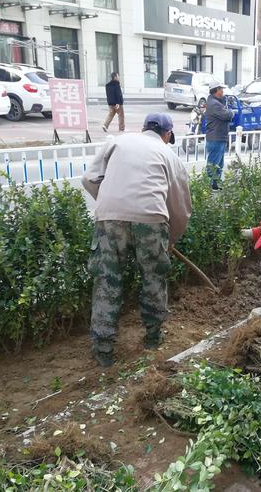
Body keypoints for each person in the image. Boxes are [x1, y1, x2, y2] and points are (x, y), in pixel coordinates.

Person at [82, 113, 192, 367]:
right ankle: (153, 338)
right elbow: (181, 209)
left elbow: (89, 179)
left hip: (109, 218)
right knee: (154, 279)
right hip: (151, 220)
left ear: (144, 129)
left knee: (107, 281)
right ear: (167, 135)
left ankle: (103, 351)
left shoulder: (117, 141)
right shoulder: (170, 157)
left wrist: (113, 204)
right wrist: (170, 239)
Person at [205, 80, 234, 190]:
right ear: (216, 90)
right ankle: (210, 185)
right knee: (213, 164)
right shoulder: (214, 104)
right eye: (221, 89)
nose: (223, 91)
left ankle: (216, 184)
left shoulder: (214, 102)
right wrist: (231, 112)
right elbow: (227, 115)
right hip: (215, 138)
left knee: (218, 164)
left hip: (219, 137)